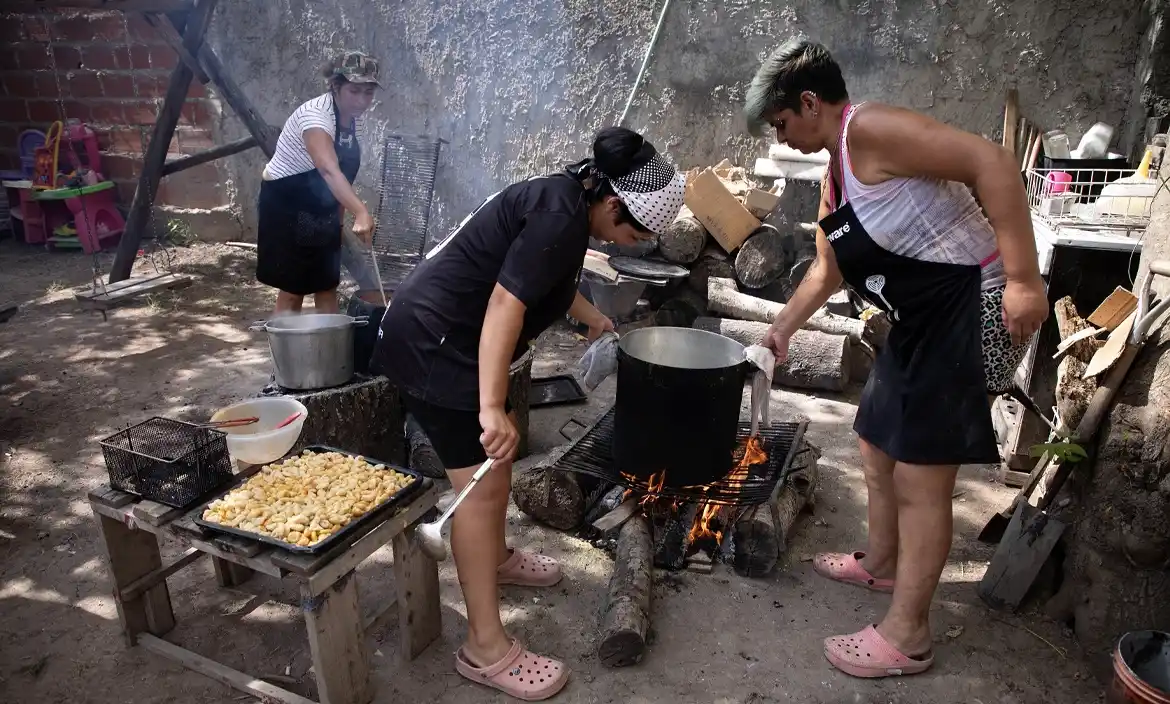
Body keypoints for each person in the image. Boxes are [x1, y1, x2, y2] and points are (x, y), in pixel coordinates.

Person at [743, 40, 1049, 679]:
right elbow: (827, 269)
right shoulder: (834, 168)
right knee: (874, 441)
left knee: (921, 474)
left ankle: (909, 635)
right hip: (920, 316)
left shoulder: (873, 130)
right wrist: (781, 329)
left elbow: (990, 161)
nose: (782, 136)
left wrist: (1024, 277)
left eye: (780, 124)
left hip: (974, 306)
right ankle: (882, 564)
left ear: (808, 102)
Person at [370, 127, 685, 700]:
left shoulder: (566, 199)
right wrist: (491, 406)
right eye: (634, 232)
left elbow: (551, 282)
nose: (634, 243)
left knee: (496, 470)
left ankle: (496, 558)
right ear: (612, 203)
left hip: (448, 338)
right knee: (480, 486)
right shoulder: (561, 217)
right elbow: (504, 303)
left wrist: (592, 318)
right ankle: (484, 650)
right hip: (434, 348)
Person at [256, 50, 380, 315]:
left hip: (319, 204)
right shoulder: (316, 117)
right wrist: (360, 211)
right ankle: (287, 354)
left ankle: (329, 352)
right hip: (286, 203)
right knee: (293, 288)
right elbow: (328, 170)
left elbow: (342, 176)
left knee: (326, 283)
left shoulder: (350, 120)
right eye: (354, 91)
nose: (362, 100)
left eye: (368, 92)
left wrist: (337, 221)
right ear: (335, 86)